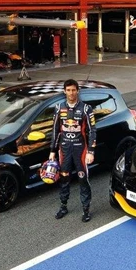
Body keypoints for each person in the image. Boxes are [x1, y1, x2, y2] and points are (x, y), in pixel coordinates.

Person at [48, 79, 96, 222]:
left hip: (80, 150)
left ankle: (86, 210)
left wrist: (91, 151)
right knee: (64, 179)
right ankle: (63, 206)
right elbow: (55, 131)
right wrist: (52, 150)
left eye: (73, 90)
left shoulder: (86, 109)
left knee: (82, 179)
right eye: (68, 90)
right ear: (64, 91)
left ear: (77, 91)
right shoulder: (59, 108)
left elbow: (92, 131)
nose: (71, 93)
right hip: (64, 150)